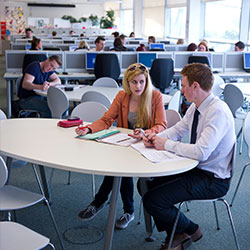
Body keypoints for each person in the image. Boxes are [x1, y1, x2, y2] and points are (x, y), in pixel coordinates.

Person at [140, 63, 236, 250]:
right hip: (196, 168)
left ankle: (191, 229)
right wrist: (155, 137)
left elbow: (201, 152)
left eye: (183, 85)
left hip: (213, 179)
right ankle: (177, 233)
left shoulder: (217, 112)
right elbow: (179, 129)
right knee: (145, 183)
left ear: (195, 86)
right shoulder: (196, 106)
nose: (181, 89)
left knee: (153, 199)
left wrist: (165, 144)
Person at [75, 63, 167, 229]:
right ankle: (126, 210)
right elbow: (106, 120)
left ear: (146, 81)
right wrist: (88, 128)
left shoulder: (155, 97)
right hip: (126, 143)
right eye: (133, 82)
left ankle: (100, 203)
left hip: (147, 145)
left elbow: (162, 125)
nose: (138, 86)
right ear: (127, 82)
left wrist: (146, 132)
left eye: (141, 81)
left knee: (120, 170)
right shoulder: (122, 96)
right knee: (119, 169)